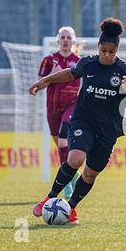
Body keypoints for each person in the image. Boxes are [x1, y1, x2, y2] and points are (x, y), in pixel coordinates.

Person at [29, 18, 126, 224]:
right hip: (83, 121)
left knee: (90, 174)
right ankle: (50, 197)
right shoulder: (88, 63)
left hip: (108, 130)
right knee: (75, 159)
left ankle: (70, 207)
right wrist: (45, 80)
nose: (107, 55)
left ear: (117, 50)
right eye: (103, 51)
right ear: (98, 47)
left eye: (111, 52)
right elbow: (70, 74)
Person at [37, 26, 81, 199]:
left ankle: (68, 186)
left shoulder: (78, 61)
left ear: (73, 41)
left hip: (72, 106)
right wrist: (52, 76)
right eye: (62, 37)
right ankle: (73, 175)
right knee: (62, 145)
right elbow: (40, 84)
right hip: (52, 109)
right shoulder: (49, 60)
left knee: (64, 141)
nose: (65, 40)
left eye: (68, 37)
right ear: (57, 40)